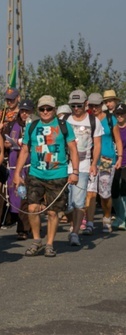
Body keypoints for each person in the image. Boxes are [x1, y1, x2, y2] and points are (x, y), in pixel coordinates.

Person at [13, 95, 79, 257]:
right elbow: (25, 150)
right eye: (42, 109)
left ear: (55, 110)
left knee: (52, 212)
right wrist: (17, 173)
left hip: (58, 174)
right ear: (38, 110)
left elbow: (73, 149)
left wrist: (75, 171)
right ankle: (37, 240)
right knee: (32, 208)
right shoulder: (32, 126)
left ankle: (49, 243)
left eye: (49, 109)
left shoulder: (64, 126)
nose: (45, 111)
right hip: (36, 173)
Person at [62, 89, 102, 245]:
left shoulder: (93, 121)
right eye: (73, 106)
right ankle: (73, 224)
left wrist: (94, 163)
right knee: (67, 205)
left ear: (86, 104)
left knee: (78, 202)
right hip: (65, 165)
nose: (76, 109)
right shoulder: (64, 120)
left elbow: (97, 144)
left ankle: (74, 233)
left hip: (84, 166)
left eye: (79, 105)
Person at [84, 92, 122, 233]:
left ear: (102, 105)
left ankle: (106, 218)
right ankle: (90, 223)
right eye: (91, 105)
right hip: (91, 160)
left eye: (97, 105)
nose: (94, 108)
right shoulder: (87, 120)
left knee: (105, 194)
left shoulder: (110, 119)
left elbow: (117, 140)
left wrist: (120, 157)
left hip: (107, 159)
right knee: (90, 193)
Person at [0, 99, 33, 240]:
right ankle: (19, 224)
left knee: (27, 197)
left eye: (27, 111)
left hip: (30, 167)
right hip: (14, 167)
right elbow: (2, 142)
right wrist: (5, 143)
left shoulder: (34, 126)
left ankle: (25, 228)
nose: (24, 114)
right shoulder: (12, 125)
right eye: (22, 111)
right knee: (17, 197)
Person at [112, 103, 126, 230]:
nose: (120, 116)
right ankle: (119, 216)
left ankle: (124, 218)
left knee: (124, 190)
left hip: (125, 162)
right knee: (114, 190)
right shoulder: (113, 127)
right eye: (118, 113)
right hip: (114, 162)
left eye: (122, 113)